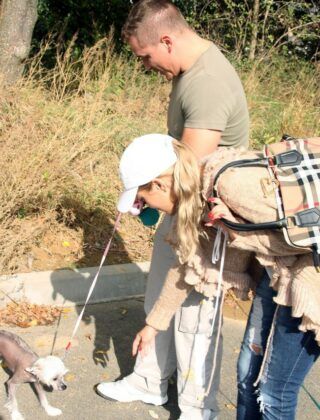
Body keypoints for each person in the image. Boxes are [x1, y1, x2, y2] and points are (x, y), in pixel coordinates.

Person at [97, 1, 249, 419]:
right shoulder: (190, 71)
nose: (145, 65)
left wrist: (145, 196)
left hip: (204, 219)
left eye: (145, 56)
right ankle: (150, 382)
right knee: (159, 298)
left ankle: (199, 407)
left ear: (166, 40)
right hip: (183, 210)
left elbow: (186, 178)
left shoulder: (206, 83)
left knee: (192, 317)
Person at [110, 133, 319, 420]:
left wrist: (235, 230)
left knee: (274, 391)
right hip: (277, 279)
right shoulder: (198, 195)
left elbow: (304, 242)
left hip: (308, 284)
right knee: (247, 373)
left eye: (144, 200)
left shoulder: (231, 185)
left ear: (159, 184)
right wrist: (153, 326)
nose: (149, 209)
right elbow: (188, 267)